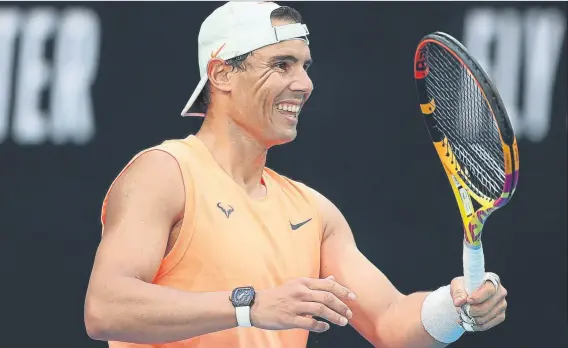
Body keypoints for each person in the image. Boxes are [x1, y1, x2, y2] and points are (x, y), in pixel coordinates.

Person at [84, 2, 508, 348]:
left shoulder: (313, 211)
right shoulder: (163, 173)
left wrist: (456, 310)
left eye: (305, 66)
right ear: (222, 74)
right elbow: (105, 308)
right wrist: (248, 306)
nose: (304, 83)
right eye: (282, 64)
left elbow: (391, 322)